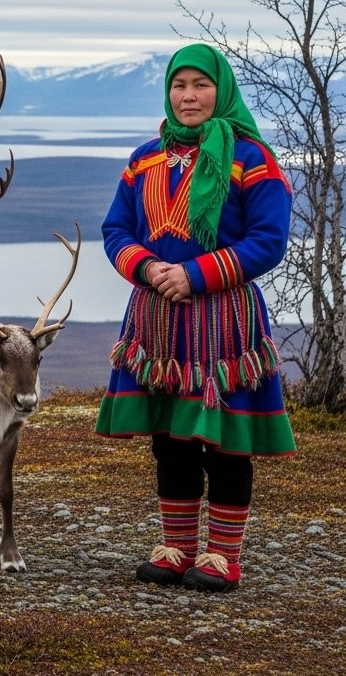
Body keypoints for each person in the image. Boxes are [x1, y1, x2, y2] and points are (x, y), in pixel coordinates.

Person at [96, 42, 295, 593]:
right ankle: (177, 547)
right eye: (180, 86)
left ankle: (223, 556)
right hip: (157, 323)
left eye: (200, 86)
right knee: (170, 436)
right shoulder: (144, 160)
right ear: (168, 92)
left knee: (223, 438)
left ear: (220, 90)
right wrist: (150, 268)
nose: (189, 97)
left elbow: (269, 240)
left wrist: (196, 274)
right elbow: (117, 231)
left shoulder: (254, 161)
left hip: (224, 324)